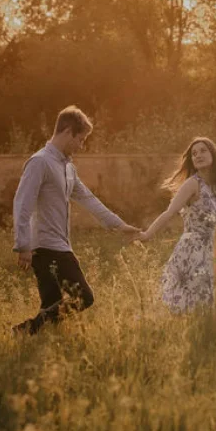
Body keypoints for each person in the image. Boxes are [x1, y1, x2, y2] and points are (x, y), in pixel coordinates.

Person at [11, 106, 138, 335]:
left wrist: (119, 225)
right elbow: (23, 203)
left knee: (51, 306)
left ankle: (31, 340)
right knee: (85, 297)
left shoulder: (68, 167)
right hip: (46, 246)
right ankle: (26, 330)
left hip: (60, 243)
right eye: (80, 139)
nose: (82, 146)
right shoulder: (40, 162)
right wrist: (23, 246)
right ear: (68, 132)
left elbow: (88, 199)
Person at [132, 137, 216, 313]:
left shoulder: (215, 188)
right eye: (194, 154)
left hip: (207, 252)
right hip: (190, 250)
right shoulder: (192, 184)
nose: (198, 155)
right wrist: (146, 235)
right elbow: (169, 212)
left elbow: (215, 228)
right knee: (182, 303)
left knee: (202, 305)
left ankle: (199, 336)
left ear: (213, 154)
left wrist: (214, 259)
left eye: (203, 151)